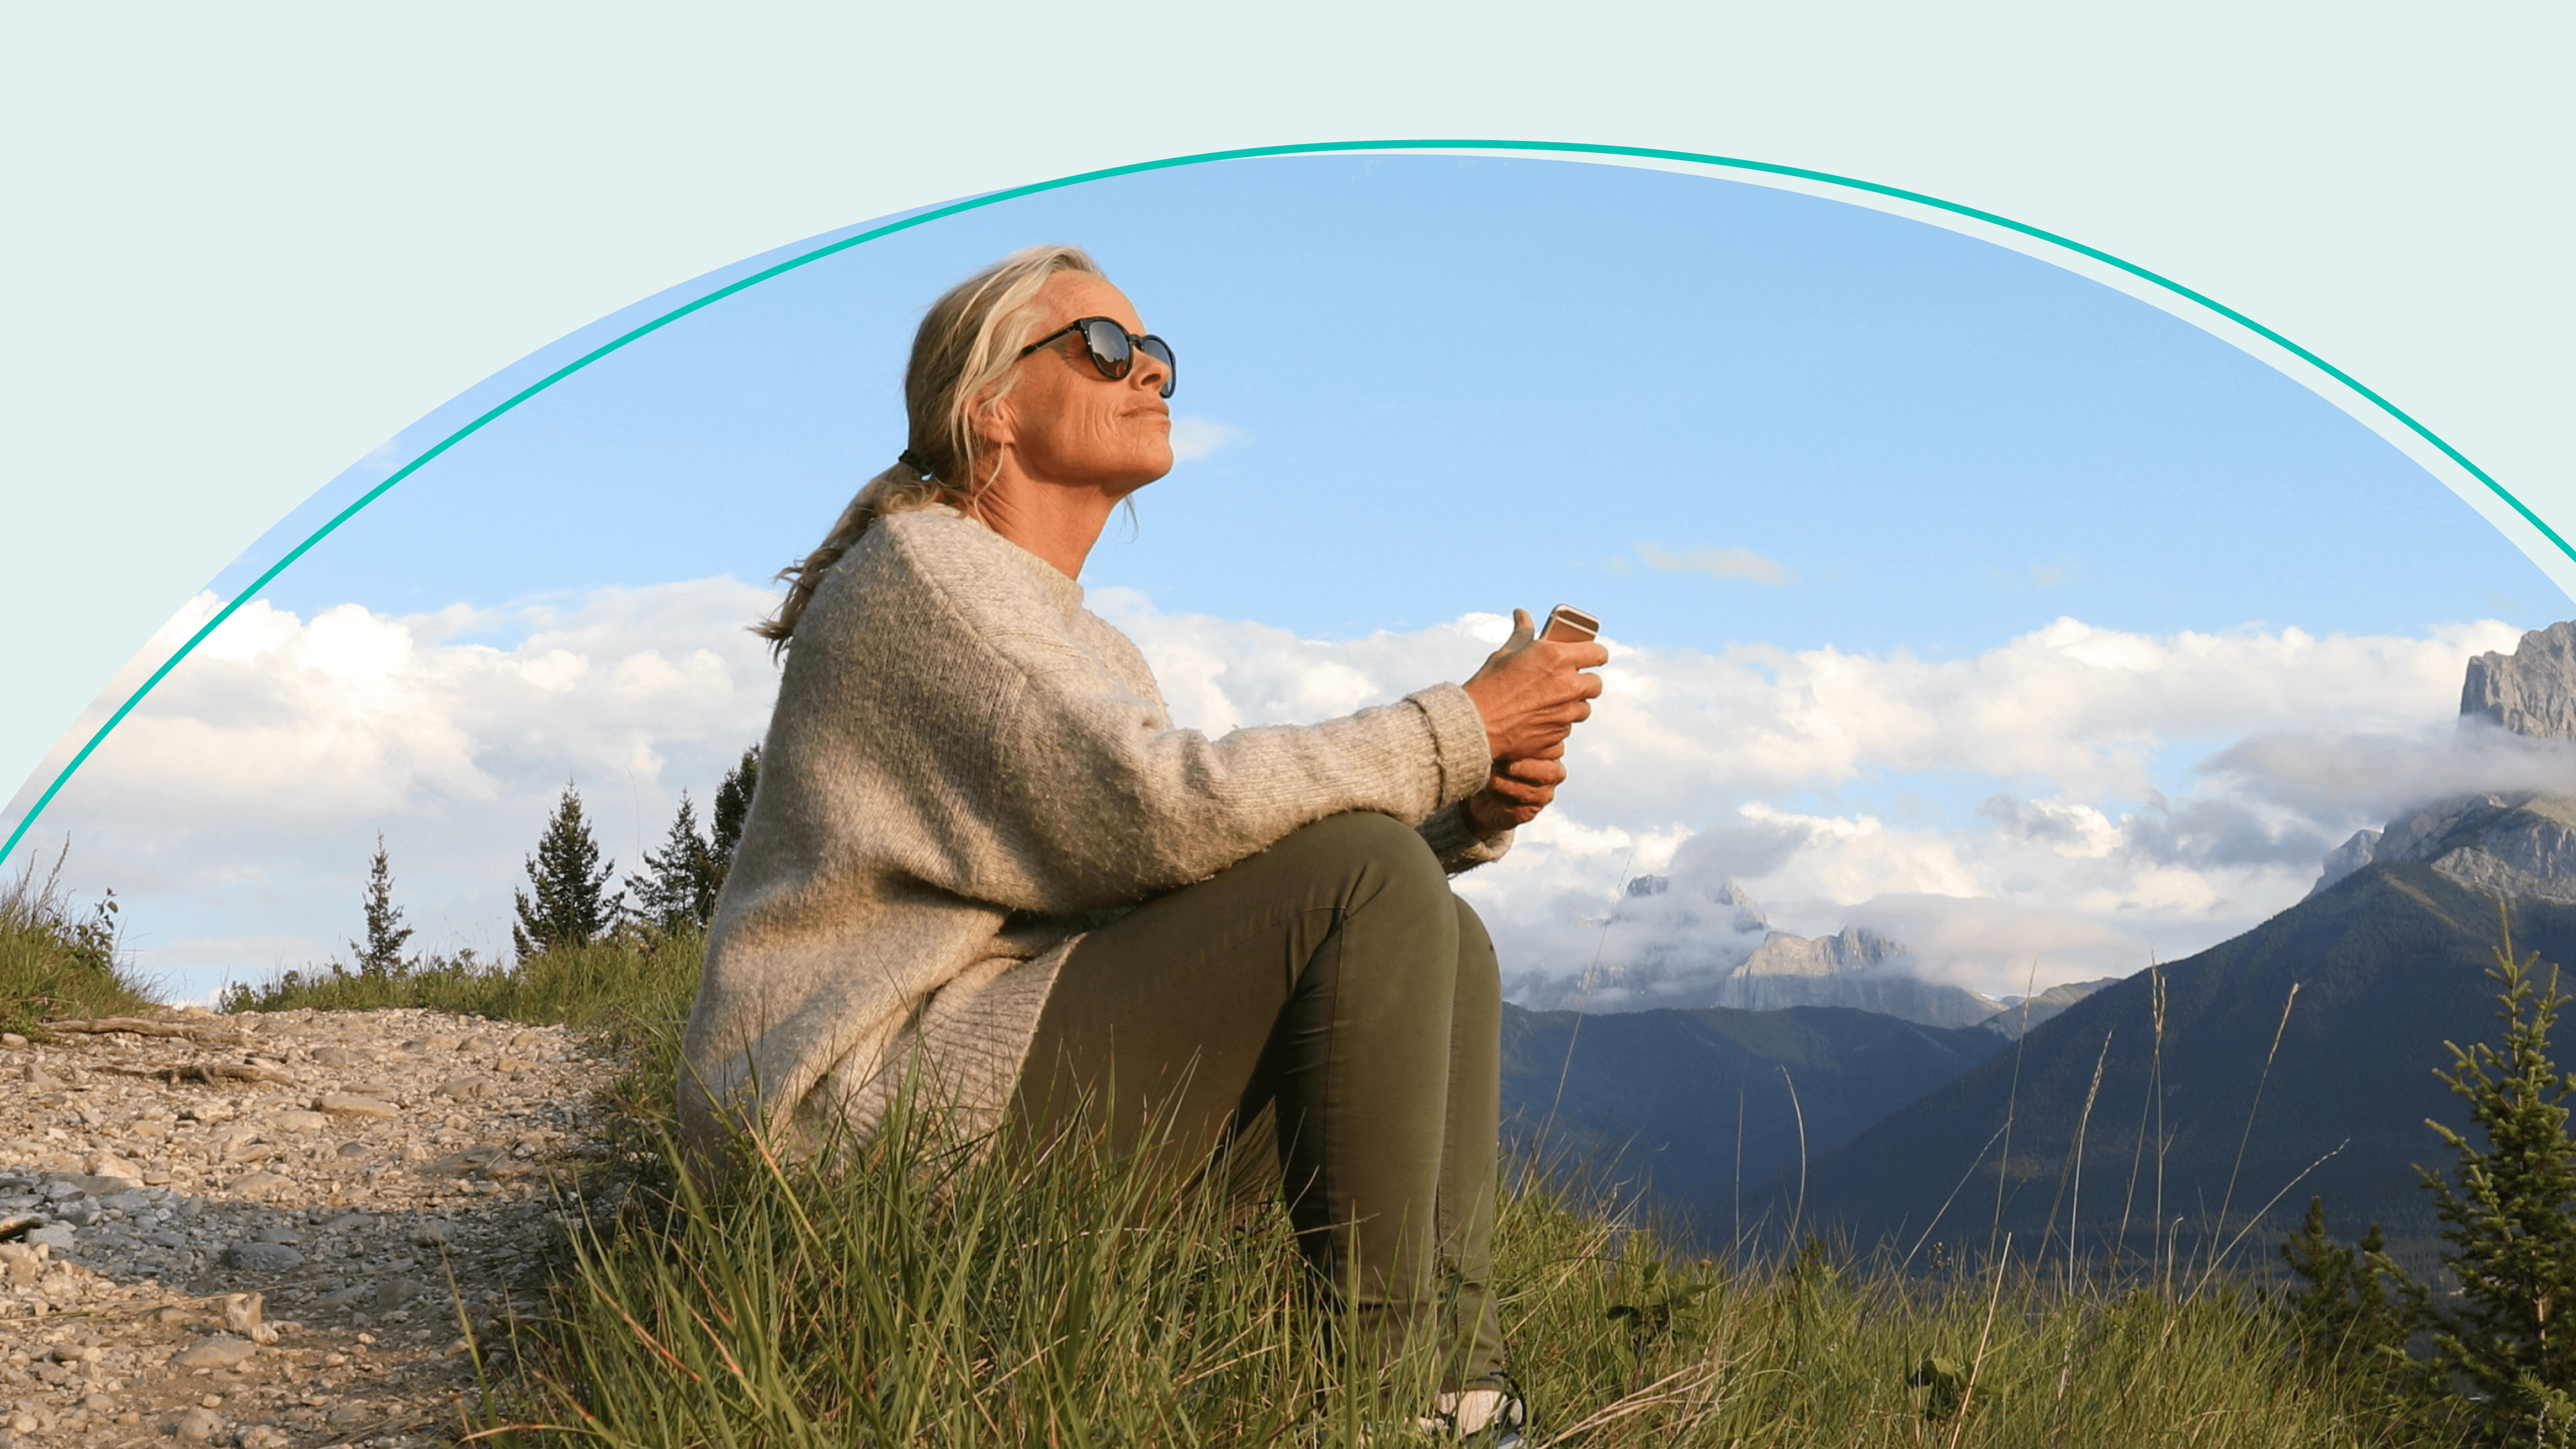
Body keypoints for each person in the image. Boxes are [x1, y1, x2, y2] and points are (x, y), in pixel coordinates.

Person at [677, 244, 1605, 1442]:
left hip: (975, 1078)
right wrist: (1461, 726)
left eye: (1156, 352)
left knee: (1445, 937)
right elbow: (1167, 813)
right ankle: (1393, 1405)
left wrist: (1461, 813)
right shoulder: (931, 580)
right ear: (989, 408)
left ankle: (1465, 1394)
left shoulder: (1052, 626)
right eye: (1104, 348)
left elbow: (1180, 870)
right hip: (840, 1127)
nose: (1148, 372)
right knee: (1366, 883)